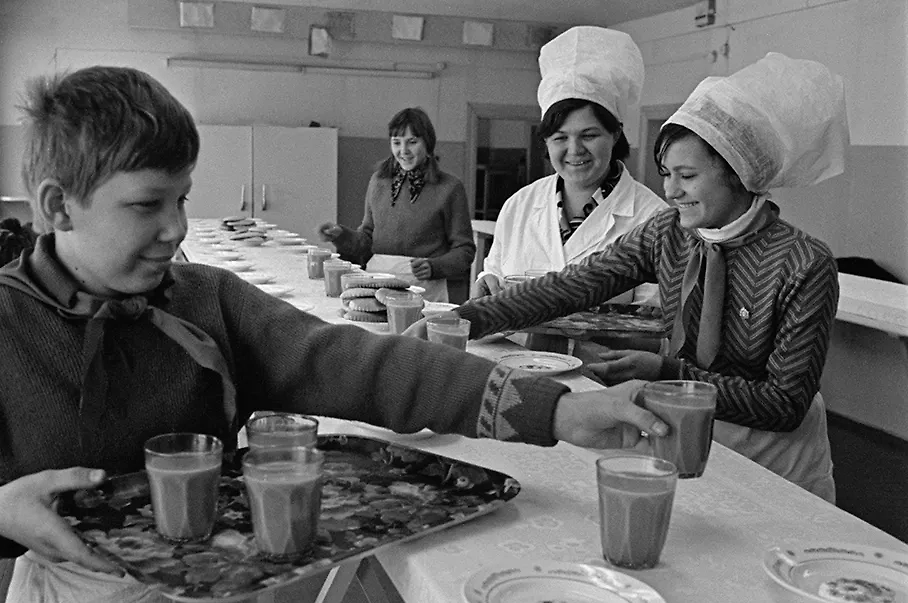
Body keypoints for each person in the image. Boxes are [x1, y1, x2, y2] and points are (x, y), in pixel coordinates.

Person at [0, 66, 667, 603]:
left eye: (182, 198)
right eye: (147, 205)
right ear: (59, 205)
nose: (176, 229)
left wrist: (555, 411)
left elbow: (360, 365)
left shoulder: (204, 303)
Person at [410, 53, 849, 503]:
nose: (671, 191)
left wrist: (668, 374)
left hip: (774, 461)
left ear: (740, 174)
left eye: (687, 176)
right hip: (682, 434)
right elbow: (571, 286)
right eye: (666, 175)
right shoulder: (668, 234)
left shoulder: (803, 263)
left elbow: (783, 403)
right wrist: (465, 318)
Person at [472, 26, 666, 303]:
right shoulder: (519, 206)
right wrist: (487, 282)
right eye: (560, 138)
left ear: (615, 134)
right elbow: (495, 274)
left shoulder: (653, 219)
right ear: (546, 142)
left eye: (589, 135)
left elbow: (654, 318)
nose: (574, 150)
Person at [316, 107, 475, 303]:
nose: (403, 151)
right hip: (375, 286)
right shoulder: (378, 182)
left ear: (428, 143)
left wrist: (435, 267)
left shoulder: (450, 187)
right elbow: (366, 241)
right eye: (397, 142)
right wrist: (341, 235)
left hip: (424, 291)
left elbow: (464, 250)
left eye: (412, 142)